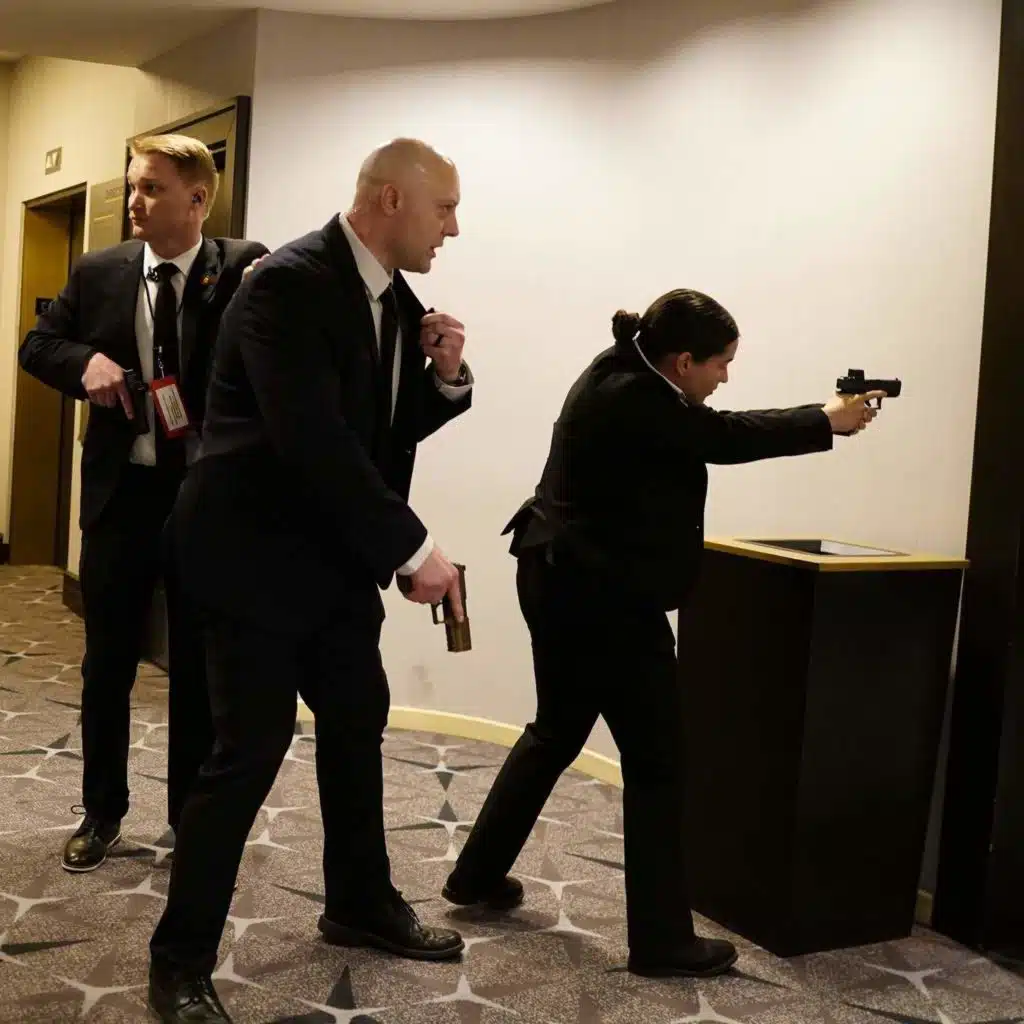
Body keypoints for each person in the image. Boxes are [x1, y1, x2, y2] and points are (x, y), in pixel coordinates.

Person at [442, 288, 884, 979]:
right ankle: (662, 941)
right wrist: (826, 420)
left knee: (554, 732)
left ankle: (476, 875)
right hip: (603, 600)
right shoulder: (636, 398)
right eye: (721, 363)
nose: (725, 377)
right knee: (658, 766)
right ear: (682, 362)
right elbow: (724, 437)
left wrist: (825, 418)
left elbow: (707, 431)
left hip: (560, 578)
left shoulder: (621, 369)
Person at [147, 138, 473, 1024]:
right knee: (246, 755)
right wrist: (412, 549)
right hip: (249, 557)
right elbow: (312, 440)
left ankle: (358, 901)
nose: (453, 228)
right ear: (391, 199)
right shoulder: (287, 283)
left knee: (356, 724)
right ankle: (178, 962)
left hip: (330, 560)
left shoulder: (393, 297)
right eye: (444, 208)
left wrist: (446, 381)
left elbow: (375, 429)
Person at [18, 134, 269, 873]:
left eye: (152, 188)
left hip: (204, 500)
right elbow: (37, 345)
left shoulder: (242, 267)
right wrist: (84, 363)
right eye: (133, 185)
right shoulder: (99, 272)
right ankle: (102, 811)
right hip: (122, 494)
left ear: (197, 199)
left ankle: (190, 816)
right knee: (108, 664)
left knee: (196, 666)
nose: (135, 200)